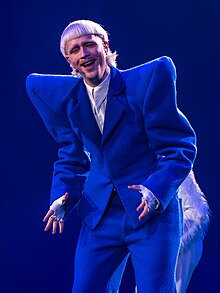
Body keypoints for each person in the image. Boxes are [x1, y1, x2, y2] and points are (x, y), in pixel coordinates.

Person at [26, 19, 197, 292]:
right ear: (69, 59)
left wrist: (156, 190)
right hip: (100, 216)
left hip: (149, 212)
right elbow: (71, 155)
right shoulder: (68, 100)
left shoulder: (144, 83)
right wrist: (62, 196)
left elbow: (179, 147)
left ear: (105, 46)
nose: (84, 54)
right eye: (75, 50)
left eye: (90, 45)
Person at [106, 170, 210, 293]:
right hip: (161, 241)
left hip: (184, 244)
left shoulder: (173, 165)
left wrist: (169, 243)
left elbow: (198, 213)